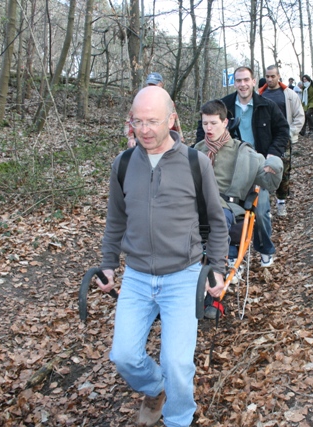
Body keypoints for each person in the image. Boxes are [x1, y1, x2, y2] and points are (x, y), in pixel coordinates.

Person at [97, 86, 228, 427]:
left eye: (152, 121)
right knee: (124, 355)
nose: (144, 129)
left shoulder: (194, 162)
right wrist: (109, 264)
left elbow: (216, 221)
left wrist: (216, 268)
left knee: (177, 364)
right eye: (137, 121)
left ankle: (178, 419)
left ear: (171, 120)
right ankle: (155, 388)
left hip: (183, 276)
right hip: (138, 276)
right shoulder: (123, 164)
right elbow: (116, 220)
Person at [196, 66, 289, 267]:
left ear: (254, 81)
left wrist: (272, 154)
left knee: (261, 210)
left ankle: (264, 248)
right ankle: (227, 255)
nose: (242, 84)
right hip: (230, 162)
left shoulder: (267, 105)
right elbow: (202, 130)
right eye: (238, 80)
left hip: (256, 163)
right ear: (234, 82)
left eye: (246, 80)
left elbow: (283, 131)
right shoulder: (225, 105)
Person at [258, 65, 304, 217]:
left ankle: (281, 202)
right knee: (263, 170)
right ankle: (266, 205)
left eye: (272, 76)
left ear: (278, 76)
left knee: (283, 171)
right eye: (267, 76)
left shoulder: (289, 95)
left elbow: (299, 116)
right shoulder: (259, 95)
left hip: (283, 140)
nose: (270, 79)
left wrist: (289, 133)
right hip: (263, 140)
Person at [126, 72, 184, 148]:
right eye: (150, 85)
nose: (152, 88)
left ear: (161, 85)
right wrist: (131, 138)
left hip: (164, 141)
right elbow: (129, 121)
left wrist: (180, 138)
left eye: (154, 85)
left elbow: (175, 121)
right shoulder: (140, 100)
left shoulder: (167, 101)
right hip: (144, 141)